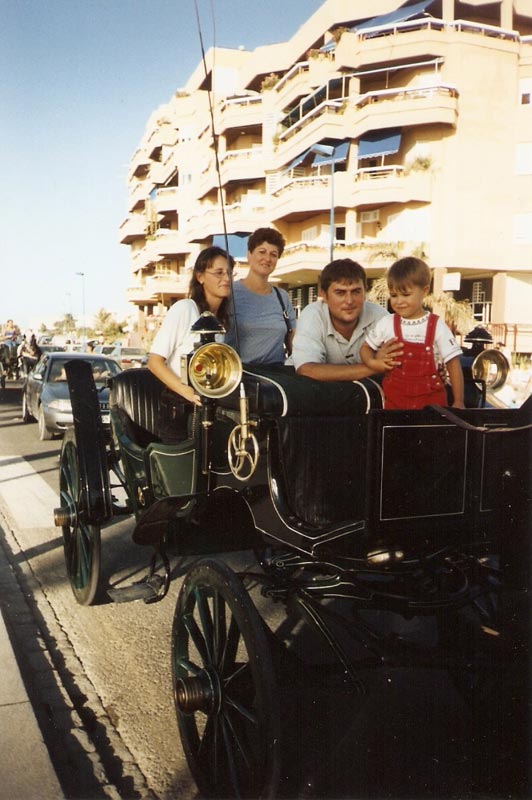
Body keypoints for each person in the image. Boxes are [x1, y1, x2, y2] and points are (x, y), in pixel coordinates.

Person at [148, 246, 233, 443]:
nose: (227, 279)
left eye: (229, 273)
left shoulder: (220, 321)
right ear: (200, 277)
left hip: (209, 409)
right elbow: (154, 362)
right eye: (219, 273)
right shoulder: (185, 309)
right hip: (179, 411)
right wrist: (187, 391)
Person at [360, 256, 464, 409]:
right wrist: (373, 363)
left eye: (406, 295)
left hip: (431, 404)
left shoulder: (437, 326)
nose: (399, 301)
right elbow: (365, 348)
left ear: (424, 291)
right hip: (395, 403)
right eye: (394, 295)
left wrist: (459, 401)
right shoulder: (386, 323)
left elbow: (453, 364)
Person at [292, 258, 400, 381]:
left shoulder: (380, 317)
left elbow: (397, 360)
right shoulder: (312, 315)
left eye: (356, 291)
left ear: (365, 292)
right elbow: (307, 370)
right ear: (324, 295)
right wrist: (375, 366)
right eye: (340, 293)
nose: (349, 301)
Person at [225, 227, 296, 365]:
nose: (267, 259)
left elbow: (294, 341)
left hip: (276, 377)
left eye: (273, 254)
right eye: (262, 252)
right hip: (240, 376)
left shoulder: (282, 297)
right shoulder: (229, 293)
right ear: (249, 255)